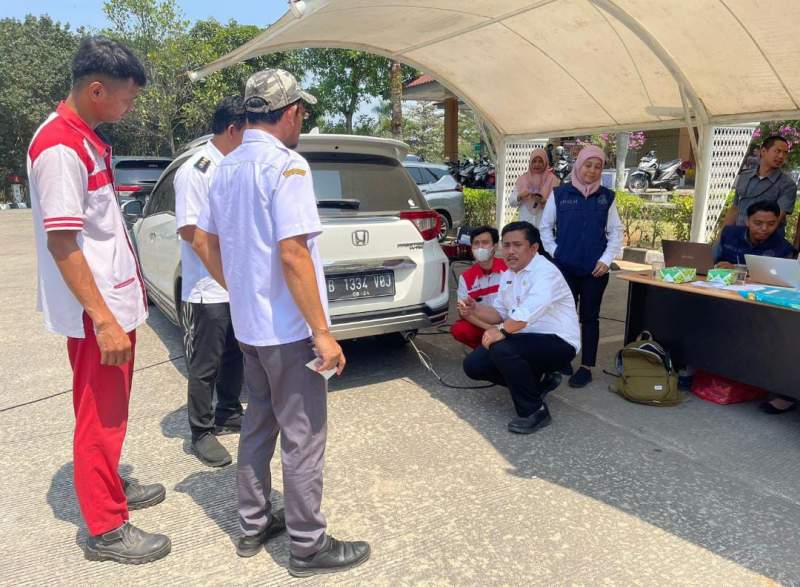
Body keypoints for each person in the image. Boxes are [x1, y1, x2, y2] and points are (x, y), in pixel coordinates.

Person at [192, 69, 370, 577]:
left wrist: (240, 288)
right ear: (290, 111)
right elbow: (293, 253)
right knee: (303, 436)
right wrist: (323, 332)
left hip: (250, 328)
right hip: (290, 333)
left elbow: (201, 240)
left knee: (257, 424)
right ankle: (308, 545)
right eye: (302, 112)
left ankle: (252, 524)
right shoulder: (287, 166)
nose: (303, 120)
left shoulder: (224, 166)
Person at [27, 36, 170, 564]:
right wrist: (104, 320)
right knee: (99, 415)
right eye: (126, 99)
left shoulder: (82, 137)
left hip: (109, 306)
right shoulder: (61, 146)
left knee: (111, 409)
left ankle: (109, 487)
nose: (128, 108)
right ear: (95, 89)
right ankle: (106, 528)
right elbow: (63, 242)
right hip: (97, 315)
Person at [174, 97, 246, 467]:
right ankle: (201, 431)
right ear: (233, 129)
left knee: (236, 353)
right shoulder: (198, 169)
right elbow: (189, 229)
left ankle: (229, 411)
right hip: (208, 286)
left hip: (234, 282)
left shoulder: (232, 165)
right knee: (206, 362)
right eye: (248, 131)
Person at [462, 222, 580, 434]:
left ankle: (534, 411)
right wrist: (476, 308)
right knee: (474, 364)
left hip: (559, 342)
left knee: (501, 347)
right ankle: (535, 386)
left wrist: (501, 331)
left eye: (517, 245)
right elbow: (499, 312)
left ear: (533, 248)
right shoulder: (509, 274)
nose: (510, 251)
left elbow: (525, 315)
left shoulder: (546, 272)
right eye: (506, 245)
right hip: (525, 340)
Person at [539, 144, 624, 388]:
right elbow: (545, 227)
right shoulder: (560, 194)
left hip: (594, 271)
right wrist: (557, 252)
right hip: (565, 267)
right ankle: (563, 358)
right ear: (579, 165)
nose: (592, 170)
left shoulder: (606, 198)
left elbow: (615, 232)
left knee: (590, 318)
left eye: (598, 166)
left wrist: (606, 261)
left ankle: (586, 366)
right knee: (563, 315)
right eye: (588, 165)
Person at [451, 226, 507, 349]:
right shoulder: (466, 277)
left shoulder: (509, 269)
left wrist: (503, 328)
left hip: (511, 323)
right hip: (483, 324)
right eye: (476, 243)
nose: (480, 247)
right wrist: (490, 328)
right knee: (460, 329)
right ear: (471, 248)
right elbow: (464, 312)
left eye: (485, 242)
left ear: (495, 246)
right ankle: (483, 351)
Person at [724, 136, 797, 230]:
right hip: (738, 237)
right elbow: (734, 209)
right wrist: (722, 238)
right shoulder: (745, 176)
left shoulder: (787, 185)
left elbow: (776, 219)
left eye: (785, 153)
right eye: (777, 151)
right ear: (763, 151)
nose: (781, 156)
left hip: (765, 240)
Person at [715, 200, 796, 268]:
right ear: (747, 221)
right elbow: (711, 261)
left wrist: (736, 269)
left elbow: (783, 277)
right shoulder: (729, 234)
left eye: (771, 224)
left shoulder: (784, 249)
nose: (764, 228)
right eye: (758, 223)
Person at [512, 148, 560, 227]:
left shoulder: (553, 180)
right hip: (525, 225)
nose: (537, 164)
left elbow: (558, 204)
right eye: (534, 161)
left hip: (544, 226)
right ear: (530, 162)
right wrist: (520, 196)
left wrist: (545, 201)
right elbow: (512, 202)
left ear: (545, 162)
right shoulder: (523, 179)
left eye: (540, 161)